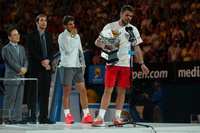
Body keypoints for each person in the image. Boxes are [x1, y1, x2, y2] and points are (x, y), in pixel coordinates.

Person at [92, 5, 149, 127]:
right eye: (127, 15)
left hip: (126, 65)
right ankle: (100, 117)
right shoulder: (110, 26)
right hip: (112, 63)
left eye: (131, 16)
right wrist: (103, 46)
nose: (129, 18)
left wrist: (142, 64)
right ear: (121, 14)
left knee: (122, 91)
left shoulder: (132, 29)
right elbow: (97, 41)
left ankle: (117, 117)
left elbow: (137, 48)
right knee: (108, 90)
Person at [58, 15, 93, 124]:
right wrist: (72, 37)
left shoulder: (77, 36)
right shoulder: (62, 36)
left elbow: (80, 51)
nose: (73, 26)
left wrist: (83, 66)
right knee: (66, 92)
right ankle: (67, 115)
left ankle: (86, 115)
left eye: (73, 24)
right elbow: (68, 50)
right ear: (64, 26)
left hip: (77, 67)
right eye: (70, 24)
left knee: (83, 91)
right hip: (66, 66)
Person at [26, 14, 55, 124]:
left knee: (45, 93)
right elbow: (32, 52)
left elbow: (52, 51)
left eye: (45, 20)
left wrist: (48, 61)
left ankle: (43, 118)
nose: (44, 22)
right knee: (33, 94)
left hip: (47, 69)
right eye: (42, 20)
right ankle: (31, 118)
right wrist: (43, 61)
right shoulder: (31, 35)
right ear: (37, 23)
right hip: (36, 68)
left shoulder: (49, 35)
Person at [1, 27, 28, 124]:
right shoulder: (6, 49)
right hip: (11, 78)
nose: (17, 36)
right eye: (15, 35)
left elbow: (25, 60)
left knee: (19, 99)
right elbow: (10, 62)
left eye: (18, 34)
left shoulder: (21, 48)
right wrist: (20, 69)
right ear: (9, 37)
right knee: (9, 99)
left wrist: (24, 69)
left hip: (21, 78)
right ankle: (7, 119)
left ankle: (18, 118)